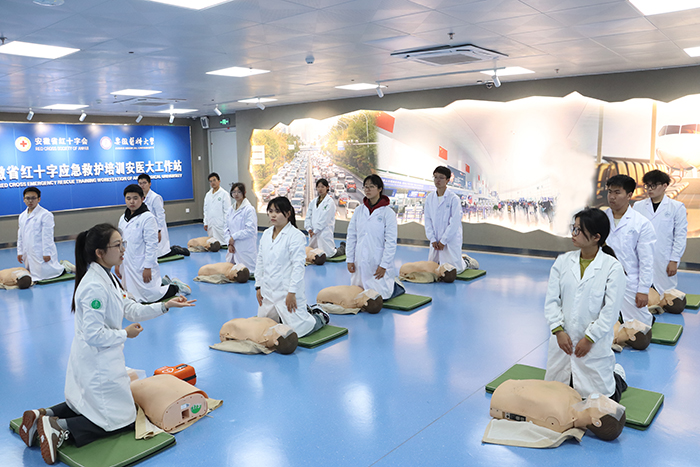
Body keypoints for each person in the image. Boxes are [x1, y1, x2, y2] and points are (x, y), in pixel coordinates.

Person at [18, 223, 195, 465]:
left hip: (97, 359)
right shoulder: (94, 286)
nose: (123, 250)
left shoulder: (108, 276)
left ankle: (43, 415)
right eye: (117, 245)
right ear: (100, 252)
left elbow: (130, 309)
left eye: (123, 243)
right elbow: (94, 335)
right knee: (122, 419)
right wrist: (125, 334)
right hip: (98, 363)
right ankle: (60, 428)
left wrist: (165, 305)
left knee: (86, 405)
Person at [544, 208, 627, 401]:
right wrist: (558, 330)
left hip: (593, 347)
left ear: (596, 237)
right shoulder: (563, 262)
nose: (573, 234)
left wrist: (590, 338)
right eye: (573, 228)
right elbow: (551, 300)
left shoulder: (612, 268)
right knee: (557, 395)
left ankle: (618, 375)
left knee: (601, 401)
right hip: (563, 344)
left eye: (579, 230)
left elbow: (610, 312)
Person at [255, 197, 327, 338]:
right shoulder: (266, 234)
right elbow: (260, 261)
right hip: (268, 291)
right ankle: (304, 311)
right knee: (264, 327)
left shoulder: (295, 236)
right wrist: (258, 286)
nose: (273, 215)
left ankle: (320, 316)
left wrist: (292, 292)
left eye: (277, 211)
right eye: (270, 211)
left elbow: (298, 266)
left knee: (298, 330)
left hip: (286, 291)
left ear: (288, 213)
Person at [116, 185, 190, 303]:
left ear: (142, 199)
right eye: (128, 198)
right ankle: (163, 282)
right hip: (127, 263)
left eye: (135, 198)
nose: (132, 202)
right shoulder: (122, 219)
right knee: (131, 295)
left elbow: (152, 245)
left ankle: (175, 287)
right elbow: (119, 242)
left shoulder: (148, 218)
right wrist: (117, 263)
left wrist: (148, 267)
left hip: (142, 264)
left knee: (150, 296)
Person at [490, 379, 626, 441]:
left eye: (605, 406)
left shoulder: (559, 420)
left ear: (596, 422)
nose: (603, 399)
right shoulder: (575, 395)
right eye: (608, 402)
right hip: (511, 385)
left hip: (501, 396)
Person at [605, 175, 656, 333]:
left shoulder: (641, 224)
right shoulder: (600, 219)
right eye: (610, 192)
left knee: (639, 330)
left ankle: (647, 317)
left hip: (629, 281)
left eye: (617, 192)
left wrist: (643, 290)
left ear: (629, 195)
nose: (612, 197)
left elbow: (646, 261)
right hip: (602, 278)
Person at [633, 170, 687, 305]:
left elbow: (680, 235)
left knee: (670, 302)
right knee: (640, 296)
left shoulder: (676, 207)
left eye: (654, 185)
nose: (649, 189)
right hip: (641, 255)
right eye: (647, 185)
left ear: (664, 186)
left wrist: (674, 260)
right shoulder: (638, 206)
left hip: (664, 257)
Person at [346, 175, 404, 300]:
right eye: (365, 187)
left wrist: (384, 265)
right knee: (358, 295)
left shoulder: (388, 213)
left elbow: (390, 242)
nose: (367, 190)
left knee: (378, 296)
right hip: (359, 258)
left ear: (379, 189)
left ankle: (397, 286)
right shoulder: (359, 210)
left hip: (377, 260)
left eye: (371, 186)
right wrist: (350, 259)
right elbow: (351, 236)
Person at [424, 166, 476, 273]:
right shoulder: (430, 198)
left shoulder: (453, 199)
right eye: (435, 177)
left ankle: (466, 262)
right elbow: (427, 219)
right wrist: (432, 239)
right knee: (432, 269)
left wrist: (443, 240)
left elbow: (454, 222)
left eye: (441, 178)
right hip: (435, 240)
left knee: (454, 270)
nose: (437, 180)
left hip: (450, 239)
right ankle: (462, 259)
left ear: (448, 180)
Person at [17, 187, 65, 282]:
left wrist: (46, 253)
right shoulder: (22, 216)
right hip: (29, 251)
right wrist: (20, 251)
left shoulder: (45, 215)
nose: (30, 201)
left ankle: (65, 267)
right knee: (32, 272)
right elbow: (20, 235)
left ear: (39, 199)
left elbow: (47, 236)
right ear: (23, 199)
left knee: (48, 273)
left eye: (33, 198)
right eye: (28, 198)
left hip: (41, 251)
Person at [305, 179, 344, 258]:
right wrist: (309, 228)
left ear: (327, 187)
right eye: (318, 187)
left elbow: (325, 219)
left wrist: (315, 231)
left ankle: (343, 247)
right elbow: (308, 216)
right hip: (313, 233)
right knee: (314, 252)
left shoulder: (330, 202)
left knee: (330, 253)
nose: (320, 189)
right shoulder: (313, 202)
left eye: (322, 187)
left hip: (324, 232)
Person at [224, 183, 257, 274]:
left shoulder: (249, 209)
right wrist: (229, 243)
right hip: (233, 247)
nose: (236, 194)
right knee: (232, 271)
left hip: (245, 247)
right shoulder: (230, 209)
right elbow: (226, 228)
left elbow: (250, 230)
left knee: (247, 271)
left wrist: (234, 237)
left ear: (244, 193)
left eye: (239, 192)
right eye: (234, 192)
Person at [218, 317, 298, 354]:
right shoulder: (274, 326)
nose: (282, 327)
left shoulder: (257, 336)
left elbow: (225, 331)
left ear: (275, 341)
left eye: (283, 330)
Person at [203, 172, 232, 245]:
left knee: (223, 242)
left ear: (219, 181)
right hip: (211, 224)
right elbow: (205, 210)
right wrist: (206, 222)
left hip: (220, 224)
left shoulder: (224, 194)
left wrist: (226, 224)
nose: (212, 183)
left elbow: (227, 211)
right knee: (212, 243)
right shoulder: (208, 195)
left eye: (214, 180)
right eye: (210, 181)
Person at [315, 285, 383, 314]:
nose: (369, 292)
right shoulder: (360, 290)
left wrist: (320, 306)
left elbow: (332, 308)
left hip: (320, 298)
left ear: (366, 303)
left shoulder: (349, 304)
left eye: (370, 294)